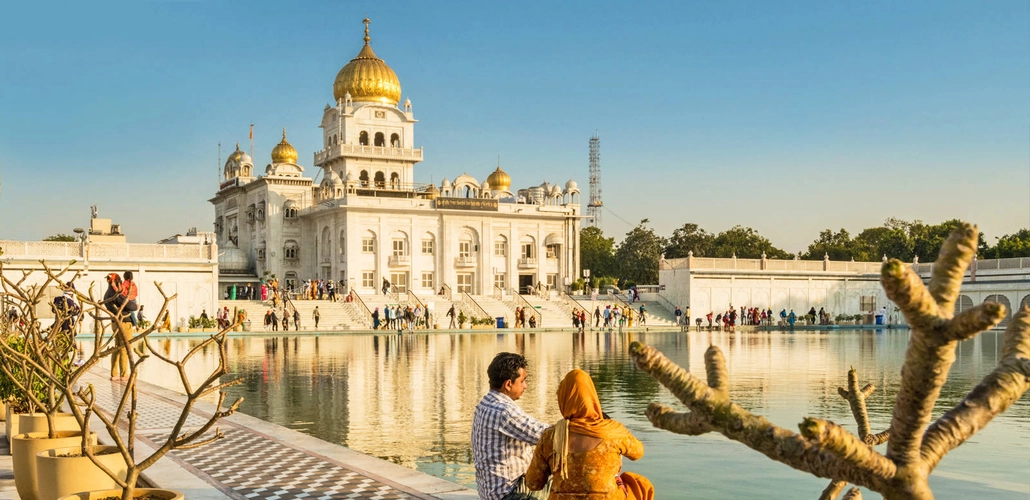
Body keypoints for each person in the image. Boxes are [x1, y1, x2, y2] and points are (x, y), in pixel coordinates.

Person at [526, 369, 654, 500]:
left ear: (563, 400)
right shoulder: (612, 431)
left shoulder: (550, 436)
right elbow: (638, 453)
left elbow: (533, 483)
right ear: (592, 397)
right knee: (638, 483)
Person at [472, 353, 550, 500]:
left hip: (490, 493)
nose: (525, 386)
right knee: (567, 480)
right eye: (522, 381)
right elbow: (545, 435)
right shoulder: (504, 411)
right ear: (508, 384)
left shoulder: (484, 404)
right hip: (509, 494)